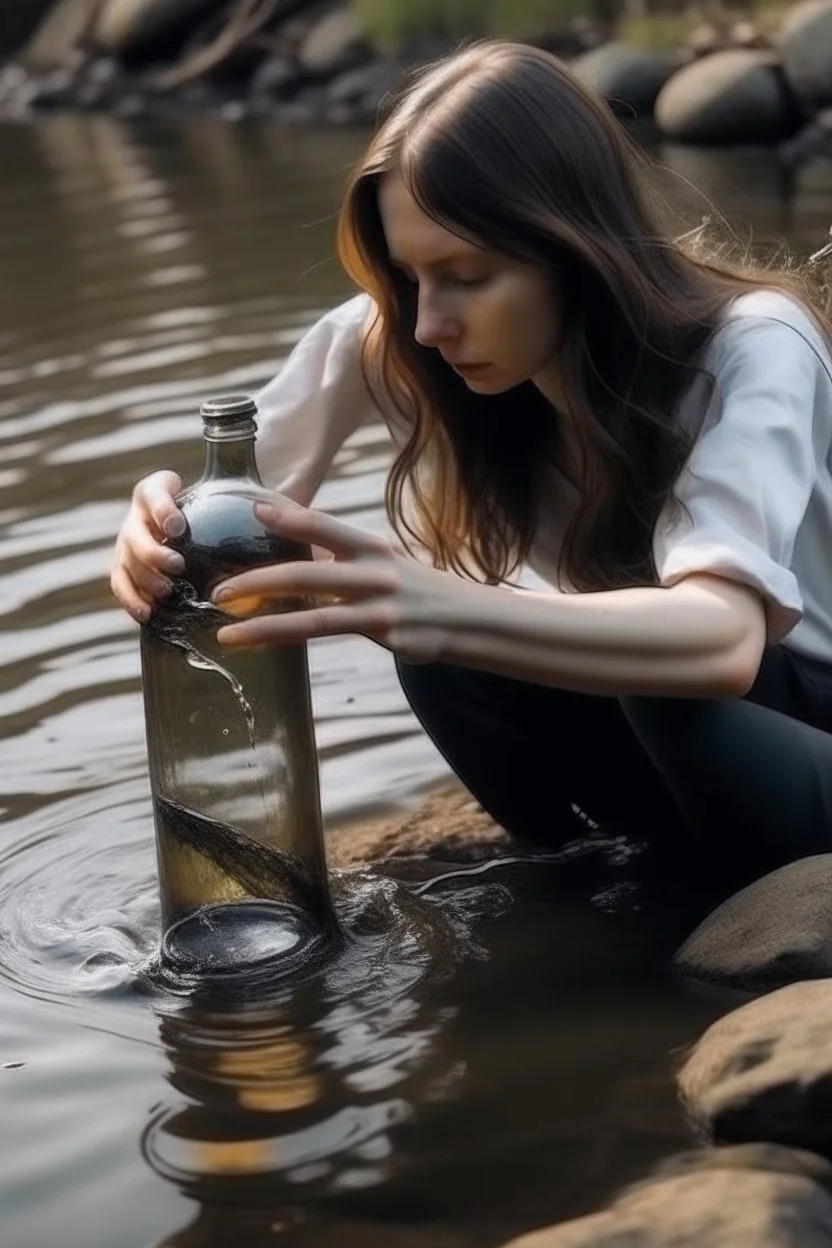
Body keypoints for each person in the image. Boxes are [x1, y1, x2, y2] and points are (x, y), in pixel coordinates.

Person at [111, 40, 832, 893]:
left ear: (574, 246)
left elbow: (723, 642)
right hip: (670, 747)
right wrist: (158, 532)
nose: (426, 324)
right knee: (440, 652)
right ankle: (586, 895)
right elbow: (241, 497)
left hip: (794, 726)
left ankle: (746, 916)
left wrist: (447, 608)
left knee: (642, 678)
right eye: (409, 275)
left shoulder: (755, 344)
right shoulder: (406, 337)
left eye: (466, 276)